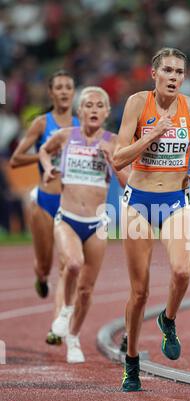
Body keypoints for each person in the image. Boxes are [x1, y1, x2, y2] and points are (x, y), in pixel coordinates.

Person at [113, 47, 190, 392]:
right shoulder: (136, 103)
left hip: (176, 200)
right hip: (139, 202)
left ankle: (168, 319)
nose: (174, 77)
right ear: (154, 74)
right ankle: (132, 362)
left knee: (182, 271)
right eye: (168, 71)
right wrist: (150, 135)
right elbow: (118, 159)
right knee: (140, 291)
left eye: (179, 72)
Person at [40, 86, 128, 363]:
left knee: (87, 289)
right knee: (73, 264)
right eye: (88, 105)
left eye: (99, 105)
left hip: (97, 223)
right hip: (67, 218)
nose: (93, 109)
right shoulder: (66, 136)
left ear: (106, 112)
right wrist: (49, 168)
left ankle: (74, 338)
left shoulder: (113, 142)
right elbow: (44, 150)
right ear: (79, 111)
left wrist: (113, 161)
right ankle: (65, 314)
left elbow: (127, 183)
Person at [10, 70, 79, 345]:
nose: (63, 91)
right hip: (45, 201)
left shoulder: (81, 124)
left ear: (74, 92)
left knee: (67, 266)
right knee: (45, 263)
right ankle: (40, 276)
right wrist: (44, 155)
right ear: (51, 93)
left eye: (68, 87)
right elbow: (16, 159)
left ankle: (57, 326)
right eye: (58, 87)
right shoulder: (42, 123)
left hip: (71, 203)